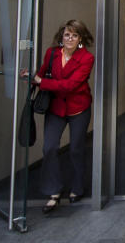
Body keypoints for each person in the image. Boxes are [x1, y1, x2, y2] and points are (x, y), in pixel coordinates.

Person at [21, 20, 95, 214]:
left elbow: (70, 85)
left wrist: (41, 81)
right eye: (67, 35)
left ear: (80, 39)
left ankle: (77, 187)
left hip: (78, 108)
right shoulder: (52, 53)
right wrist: (32, 76)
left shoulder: (87, 58)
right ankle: (53, 191)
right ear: (62, 36)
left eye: (74, 35)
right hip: (55, 107)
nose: (70, 39)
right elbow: (43, 74)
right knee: (50, 147)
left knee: (76, 149)